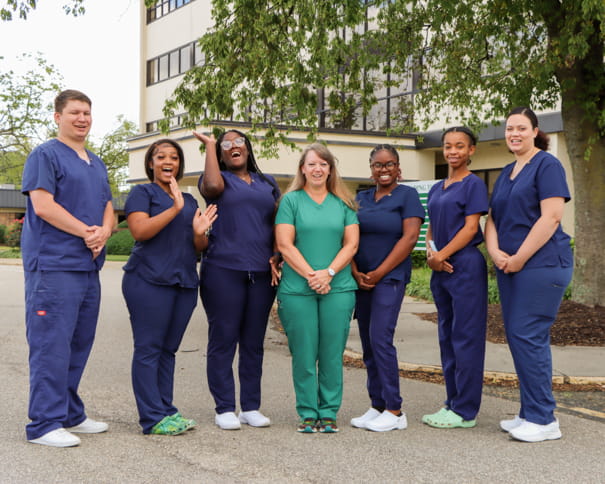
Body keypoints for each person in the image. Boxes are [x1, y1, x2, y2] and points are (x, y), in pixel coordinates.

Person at [21, 89, 114, 447]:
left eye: (87, 113)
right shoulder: (45, 155)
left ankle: (69, 413)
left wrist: (104, 230)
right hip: (55, 265)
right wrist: (86, 232)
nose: (82, 119)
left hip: (86, 267)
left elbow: (107, 203)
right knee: (51, 345)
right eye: (75, 112)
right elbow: (43, 205)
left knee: (78, 343)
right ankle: (43, 424)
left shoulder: (96, 161)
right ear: (58, 117)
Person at [485, 107, 573, 443]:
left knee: (528, 335)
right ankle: (528, 411)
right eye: (510, 129)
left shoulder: (547, 165)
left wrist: (519, 257)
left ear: (535, 131)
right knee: (520, 338)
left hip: (542, 265)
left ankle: (543, 419)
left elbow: (551, 218)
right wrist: (494, 252)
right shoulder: (508, 170)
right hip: (510, 265)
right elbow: (493, 218)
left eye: (521, 128)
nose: (514, 134)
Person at [122, 139, 218, 435]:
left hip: (184, 282)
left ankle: (166, 410)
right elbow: (140, 231)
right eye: (161, 156)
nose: (168, 161)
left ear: (179, 164)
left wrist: (201, 233)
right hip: (148, 280)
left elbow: (198, 246)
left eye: (174, 157)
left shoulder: (190, 201)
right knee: (149, 349)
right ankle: (151, 418)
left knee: (168, 350)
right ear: (150, 163)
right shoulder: (142, 193)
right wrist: (175, 208)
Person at [193, 129, 280, 430]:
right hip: (222, 270)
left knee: (254, 341)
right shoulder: (215, 180)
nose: (233, 147)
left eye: (238, 142)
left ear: (247, 147)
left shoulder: (267, 183)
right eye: (225, 145)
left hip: (261, 271)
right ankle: (225, 407)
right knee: (224, 338)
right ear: (220, 154)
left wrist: (278, 254)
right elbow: (213, 185)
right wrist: (209, 146)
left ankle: (251, 407)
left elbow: (279, 223)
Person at [275, 143, 359, 433]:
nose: (318, 169)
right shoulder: (291, 201)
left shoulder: (344, 204)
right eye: (312, 164)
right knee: (304, 353)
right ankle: (308, 412)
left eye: (323, 164)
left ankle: (329, 412)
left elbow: (351, 244)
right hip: (298, 289)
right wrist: (313, 275)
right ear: (302, 168)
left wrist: (329, 273)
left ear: (330, 169)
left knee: (332, 353)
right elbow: (284, 244)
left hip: (338, 288)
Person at [350, 144, 424, 432]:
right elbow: (350, 234)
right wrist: (356, 271)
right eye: (378, 165)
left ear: (398, 167)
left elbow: (409, 239)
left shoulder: (408, 195)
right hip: (361, 279)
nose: (384, 169)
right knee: (368, 343)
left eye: (389, 164)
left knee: (381, 338)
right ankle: (377, 405)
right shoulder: (360, 198)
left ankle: (395, 410)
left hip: (389, 278)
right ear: (371, 169)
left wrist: (379, 273)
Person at [421, 127, 489, 429]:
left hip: (465, 266)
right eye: (448, 146)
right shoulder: (438, 187)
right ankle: (451, 402)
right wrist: (431, 253)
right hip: (441, 268)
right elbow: (432, 226)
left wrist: (443, 255)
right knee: (447, 337)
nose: (453, 151)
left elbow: (471, 228)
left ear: (471, 150)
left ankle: (465, 410)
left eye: (460, 146)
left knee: (466, 338)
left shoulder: (473, 185)